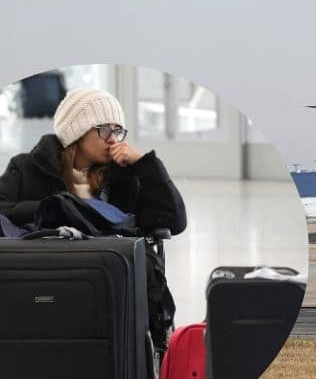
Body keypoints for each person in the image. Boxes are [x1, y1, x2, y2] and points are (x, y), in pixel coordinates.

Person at [0, 87, 186, 357]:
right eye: (104, 129)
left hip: (102, 285)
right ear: (77, 131)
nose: (113, 139)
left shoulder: (123, 178)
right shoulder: (27, 167)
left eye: (118, 130)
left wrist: (146, 165)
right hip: (40, 279)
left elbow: (174, 220)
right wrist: (57, 209)